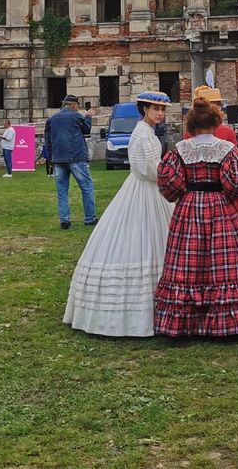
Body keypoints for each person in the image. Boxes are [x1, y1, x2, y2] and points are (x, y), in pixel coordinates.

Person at [64, 92, 174, 337]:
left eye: (163, 109)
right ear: (145, 109)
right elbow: (146, 169)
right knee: (138, 239)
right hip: (144, 190)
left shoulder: (147, 132)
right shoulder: (142, 134)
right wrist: (170, 173)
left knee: (156, 239)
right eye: (156, 108)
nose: (160, 113)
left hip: (152, 191)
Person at [153, 97, 238, 338]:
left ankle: (186, 322)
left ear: (191, 126)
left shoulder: (180, 150)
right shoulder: (227, 150)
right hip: (220, 208)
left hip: (189, 206)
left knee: (187, 260)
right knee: (224, 259)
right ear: (216, 123)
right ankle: (227, 322)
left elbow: (170, 185)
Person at [45, 95, 97, 229]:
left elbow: (47, 141)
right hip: (76, 157)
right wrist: (88, 116)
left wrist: (50, 159)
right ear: (74, 105)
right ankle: (90, 219)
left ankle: (64, 220)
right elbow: (86, 130)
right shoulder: (76, 116)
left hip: (58, 158)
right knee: (87, 187)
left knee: (62, 191)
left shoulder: (52, 119)